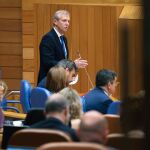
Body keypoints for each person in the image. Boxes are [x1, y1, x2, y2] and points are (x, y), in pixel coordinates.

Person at [38, 10, 87, 83]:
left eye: (68, 21)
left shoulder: (64, 39)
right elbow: (48, 63)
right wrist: (72, 64)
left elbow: (63, 60)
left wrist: (71, 70)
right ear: (55, 22)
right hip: (48, 82)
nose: (67, 23)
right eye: (64, 20)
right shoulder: (48, 38)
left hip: (60, 81)